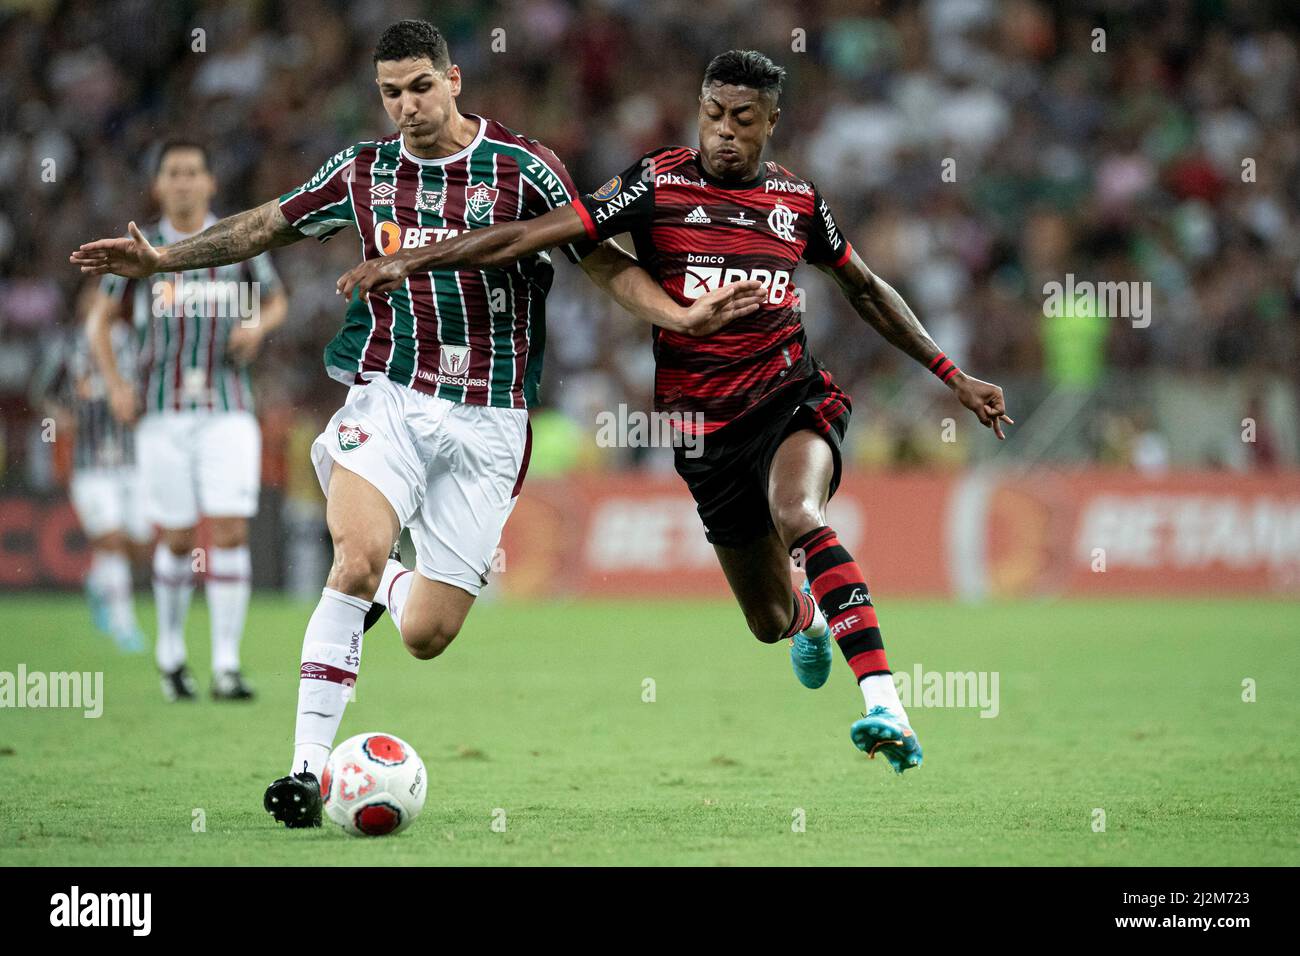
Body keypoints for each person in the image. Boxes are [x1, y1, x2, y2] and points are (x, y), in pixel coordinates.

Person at [73, 20, 762, 825]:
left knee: (428, 634)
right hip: (390, 396)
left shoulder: (524, 168)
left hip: (491, 418)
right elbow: (265, 222)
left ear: (455, 80)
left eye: (420, 87)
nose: (406, 105)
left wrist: (679, 316)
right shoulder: (362, 172)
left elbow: (602, 259)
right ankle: (305, 770)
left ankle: (394, 588)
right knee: (355, 559)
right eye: (391, 93)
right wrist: (163, 259)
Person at [337, 49, 1016, 774]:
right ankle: (808, 618)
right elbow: (535, 234)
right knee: (768, 621)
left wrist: (955, 375)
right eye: (713, 115)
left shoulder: (798, 202)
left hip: (791, 396)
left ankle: (885, 702)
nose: (724, 132)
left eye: (743, 120)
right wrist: (418, 257)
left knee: (800, 515)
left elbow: (870, 290)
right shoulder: (657, 182)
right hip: (703, 430)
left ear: (772, 122)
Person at [84, 140, 287, 702]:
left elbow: (276, 300)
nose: (183, 182)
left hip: (228, 407)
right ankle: (171, 654)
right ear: (158, 186)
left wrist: (258, 328)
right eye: (172, 173)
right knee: (175, 539)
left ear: (210, 183)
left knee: (229, 529)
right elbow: (98, 321)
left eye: (193, 172)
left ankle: (226, 664)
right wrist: (117, 385)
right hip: (162, 411)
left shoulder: (238, 240)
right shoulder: (138, 249)